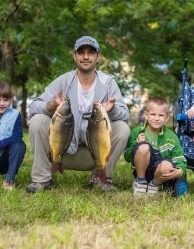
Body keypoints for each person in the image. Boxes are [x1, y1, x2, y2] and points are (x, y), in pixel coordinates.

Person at [26, 35, 130, 193]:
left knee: (122, 128)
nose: (86, 56)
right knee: (37, 120)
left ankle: (101, 178)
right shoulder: (63, 81)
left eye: (91, 52)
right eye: (81, 52)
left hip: (94, 153)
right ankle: (42, 180)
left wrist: (111, 109)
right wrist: (52, 105)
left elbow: (125, 115)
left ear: (98, 56)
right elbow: (33, 106)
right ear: (74, 56)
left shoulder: (108, 83)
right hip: (62, 151)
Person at [124, 97, 186, 195]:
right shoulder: (137, 131)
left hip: (159, 172)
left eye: (161, 115)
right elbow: (127, 157)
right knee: (143, 147)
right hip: (141, 169)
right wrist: (137, 143)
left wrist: (179, 172)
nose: (156, 118)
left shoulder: (171, 137)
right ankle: (140, 183)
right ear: (146, 115)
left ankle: (154, 185)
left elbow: (180, 160)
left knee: (167, 165)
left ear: (167, 117)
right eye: (153, 114)